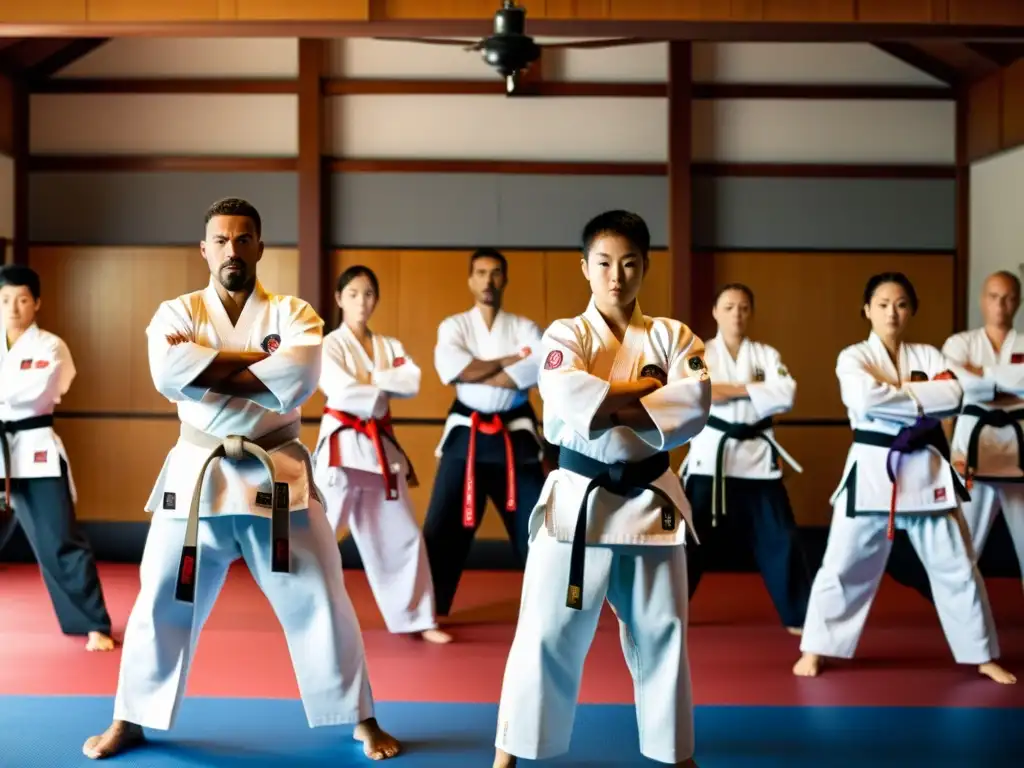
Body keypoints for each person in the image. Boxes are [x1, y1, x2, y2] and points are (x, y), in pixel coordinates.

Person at [82, 198, 401, 760]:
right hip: (197, 479)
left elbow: (298, 377)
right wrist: (257, 366)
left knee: (324, 596)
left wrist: (205, 369)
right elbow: (167, 373)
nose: (233, 250)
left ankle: (360, 716)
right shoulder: (174, 312)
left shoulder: (296, 314)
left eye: (243, 239)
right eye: (222, 241)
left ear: (259, 245)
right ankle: (130, 717)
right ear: (205, 249)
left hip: (275, 479)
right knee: (159, 598)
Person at [493, 210, 711, 768]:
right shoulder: (564, 335)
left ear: (645, 267)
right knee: (544, 631)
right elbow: (569, 398)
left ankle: (674, 752)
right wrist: (647, 392)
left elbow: (694, 406)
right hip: (577, 503)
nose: (617, 276)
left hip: (649, 501)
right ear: (585, 267)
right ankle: (511, 752)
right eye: (605, 263)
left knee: (665, 635)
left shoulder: (674, 335)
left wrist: (614, 398)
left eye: (630, 263)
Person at [793, 271, 1015, 685]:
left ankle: (981, 654)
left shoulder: (929, 355)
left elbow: (955, 396)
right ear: (867, 311)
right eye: (882, 305)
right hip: (872, 471)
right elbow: (863, 397)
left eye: (900, 305)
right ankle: (815, 647)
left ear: (911, 310)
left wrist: (895, 396)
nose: (891, 313)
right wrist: (921, 400)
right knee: (841, 564)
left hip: (927, 473)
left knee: (958, 568)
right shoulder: (853, 357)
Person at [312, 265, 451, 644]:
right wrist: (382, 381)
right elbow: (339, 391)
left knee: (404, 533)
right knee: (319, 533)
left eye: (369, 294)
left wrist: (370, 380)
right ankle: (308, 615)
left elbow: (412, 381)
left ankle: (417, 618)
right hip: (343, 445)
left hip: (378, 450)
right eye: (353, 293)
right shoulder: (328, 345)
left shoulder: (390, 346)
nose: (362, 301)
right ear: (340, 298)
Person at [680, 283, 812, 635]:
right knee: (689, 542)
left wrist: (729, 389)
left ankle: (799, 615)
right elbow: (698, 391)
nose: (736, 313)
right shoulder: (698, 352)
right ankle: (670, 612)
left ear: (750, 313)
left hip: (757, 460)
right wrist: (754, 390)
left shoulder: (766, 354)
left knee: (781, 537)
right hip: (711, 460)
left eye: (743, 307)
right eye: (729, 307)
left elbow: (786, 394)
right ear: (715, 312)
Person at [423, 248, 546, 617]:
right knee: (442, 524)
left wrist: (477, 370)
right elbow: (452, 369)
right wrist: (509, 362)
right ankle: (431, 608)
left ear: (504, 279)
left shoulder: (525, 327)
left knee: (537, 526)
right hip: (468, 433)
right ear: (470, 280)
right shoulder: (454, 326)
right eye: (480, 272)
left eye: (495, 273)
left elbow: (538, 368)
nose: (488, 280)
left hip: (516, 436)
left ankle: (548, 612)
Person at [0, 264, 115, 652]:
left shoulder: (51, 346)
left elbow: (34, 393)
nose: (12, 308)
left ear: (37, 303)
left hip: (34, 450)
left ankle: (93, 624)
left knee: (59, 539)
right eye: (4, 300)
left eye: (21, 299)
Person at [942, 270, 1024, 589]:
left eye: (1007, 298)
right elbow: (959, 384)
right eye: (993, 296)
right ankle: (963, 615)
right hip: (971, 448)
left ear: (1017, 302)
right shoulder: (959, 343)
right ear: (982, 300)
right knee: (964, 541)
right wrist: (1012, 383)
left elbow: (976, 384)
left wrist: (984, 374)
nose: (1000, 305)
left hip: (1019, 448)